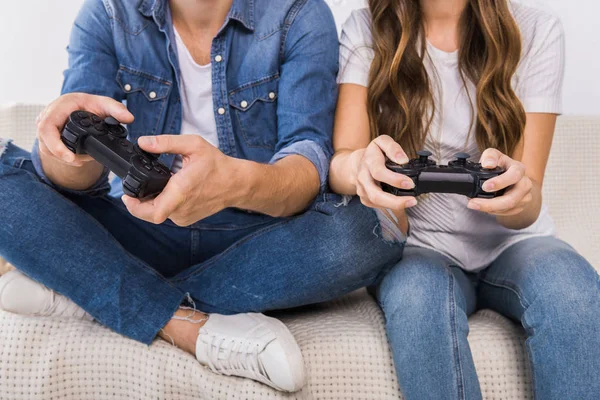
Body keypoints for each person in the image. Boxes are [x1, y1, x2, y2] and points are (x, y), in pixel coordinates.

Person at [0, 0, 405, 392]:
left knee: (376, 227)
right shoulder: (108, 13)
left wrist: (235, 182)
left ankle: (88, 286)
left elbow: (308, 166)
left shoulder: (299, 13)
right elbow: (74, 184)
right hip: (140, 227)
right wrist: (69, 148)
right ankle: (182, 323)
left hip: (255, 239)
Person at [329, 0, 600, 398]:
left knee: (573, 291)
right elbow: (339, 163)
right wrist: (360, 169)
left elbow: (528, 204)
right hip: (417, 248)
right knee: (419, 298)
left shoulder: (538, 29)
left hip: (515, 242)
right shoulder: (366, 28)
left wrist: (515, 193)